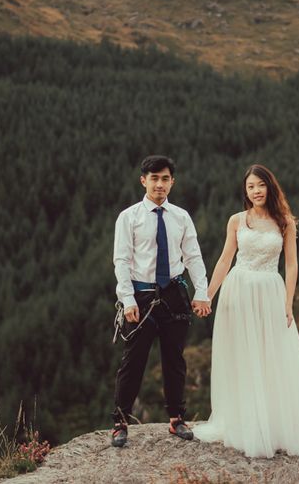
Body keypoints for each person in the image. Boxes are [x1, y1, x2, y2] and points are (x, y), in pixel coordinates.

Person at [193, 164, 299, 458]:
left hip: (270, 292)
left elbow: (291, 265)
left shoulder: (285, 221)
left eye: (260, 185)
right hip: (238, 290)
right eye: (250, 187)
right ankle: (246, 423)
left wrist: (288, 303)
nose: (256, 191)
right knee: (243, 355)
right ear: (245, 191)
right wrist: (207, 295)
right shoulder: (236, 220)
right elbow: (225, 260)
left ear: (270, 187)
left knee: (271, 355)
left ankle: (274, 424)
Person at [110, 155, 211, 447]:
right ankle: (120, 422)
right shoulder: (128, 217)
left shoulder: (181, 217)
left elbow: (193, 256)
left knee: (174, 358)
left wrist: (201, 293)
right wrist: (127, 299)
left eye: (165, 179)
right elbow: (121, 260)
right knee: (134, 359)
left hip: (175, 293)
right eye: (154, 178)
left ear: (172, 182)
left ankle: (177, 419)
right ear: (144, 181)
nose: (159, 184)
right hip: (141, 296)